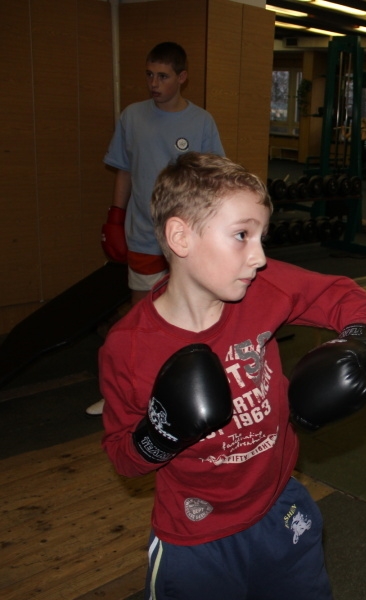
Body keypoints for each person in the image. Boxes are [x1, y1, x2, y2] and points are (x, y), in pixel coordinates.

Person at [99, 152, 366, 599]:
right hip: (196, 537)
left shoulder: (262, 290)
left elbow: (347, 298)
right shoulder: (130, 348)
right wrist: (161, 434)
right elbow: (123, 456)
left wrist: (357, 344)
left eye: (261, 237)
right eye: (241, 235)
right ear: (181, 237)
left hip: (280, 508)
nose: (259, 257)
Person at [92, 41, 225, 416]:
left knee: (189, 314)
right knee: (141, 317)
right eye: (150, 75)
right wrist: (115, 216)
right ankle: (128, 393)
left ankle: (185, 389)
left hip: (187, 240)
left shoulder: (201, 122)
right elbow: (124, 170)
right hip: (143, 234)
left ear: (182, 78)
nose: (154, 83)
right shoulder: (132, 116)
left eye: (163, 76)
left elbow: (212, 180)